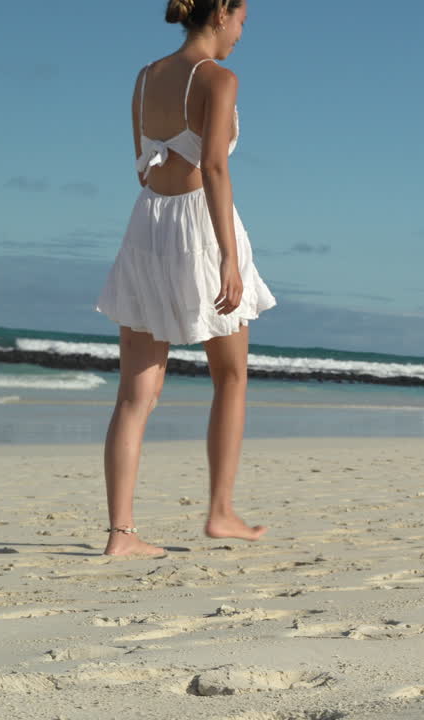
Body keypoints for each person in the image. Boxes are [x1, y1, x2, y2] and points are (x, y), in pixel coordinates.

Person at [95, 0, 275, 556]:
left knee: (135, 394)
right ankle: (220, 511)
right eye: (243, 19)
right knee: (231, 376)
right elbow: (215, 166)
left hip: (148, 225)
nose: (243, 33)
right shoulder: (218, 79)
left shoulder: (147, 78)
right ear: (222, 12)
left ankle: (120, 535)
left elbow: (141, 165)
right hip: (201, 226)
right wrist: (226, 256)